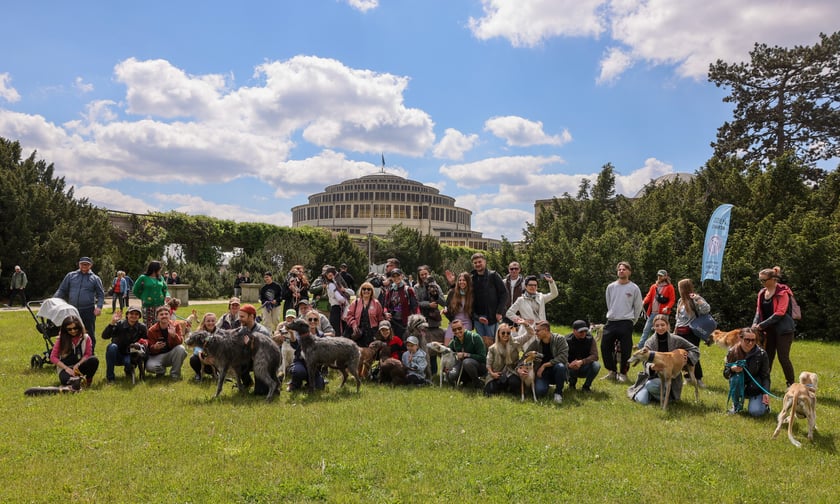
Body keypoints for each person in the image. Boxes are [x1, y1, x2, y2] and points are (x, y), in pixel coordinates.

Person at [629, 314, 700, 406]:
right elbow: (645, 361)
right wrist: (651, 367)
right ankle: (656, 394)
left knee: (651, 386)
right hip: (653, 377)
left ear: (667, 326)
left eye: (663, 325)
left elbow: (695, 349)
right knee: (641, 400)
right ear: (654, 327)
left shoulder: (676, 339)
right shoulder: (650, 342)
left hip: (671, 377)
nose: (660, 328)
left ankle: (667, 397)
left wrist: (688, 357)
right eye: (657, 326)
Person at [447, 253, 507, 344]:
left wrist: (499, 312)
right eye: (475, 263)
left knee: (492, 342)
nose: (478, 264)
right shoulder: (472, 278)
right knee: (481, 342)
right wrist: (452, 284)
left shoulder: (493, 275)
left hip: (491, 316)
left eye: (480, 262)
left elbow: (504, 293)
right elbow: (461, 289)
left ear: (485, 262)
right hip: (477, 317)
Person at [752, 266, 796, 387]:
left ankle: (791, 385)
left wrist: (761, 325)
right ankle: (764, 383)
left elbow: (780, 313)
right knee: (766, 357)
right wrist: (754, 326)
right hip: (769, 331)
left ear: (773, 279)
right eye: (760, 280)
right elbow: (758, 311)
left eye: (764, 280)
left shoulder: (782, 293)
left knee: (783, 358)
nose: (762, 283)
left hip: (784, 331)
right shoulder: (761, 293)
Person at [600, 261, 643, 383]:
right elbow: (609, 303)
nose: (621, 271)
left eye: (624, 269)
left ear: (629, 272)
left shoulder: (634, 288)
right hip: (612, 321)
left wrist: (632, 320)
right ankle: (612, 371)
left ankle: (623, 373)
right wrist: (613, 314)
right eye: (619, 269)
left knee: (626, 349)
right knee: (605, 346)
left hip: (626, 322)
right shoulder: (611, 287)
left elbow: (638, 306)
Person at [54, 256, 105, 352]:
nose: (84, 266)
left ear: (90, 265)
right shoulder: (70, 276)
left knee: (89, 332)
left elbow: (101, 294)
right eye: (82, 264)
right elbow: (62, 290)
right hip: (72, 310)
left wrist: (99, 307)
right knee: (70, 331)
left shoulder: (95, 278)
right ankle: (71, 352)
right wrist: (54, 301)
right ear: (79, 264)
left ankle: (90, 353)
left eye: (86, 264)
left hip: (88, 310)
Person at [724, 327, 771, 416]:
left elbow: (765, 376)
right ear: (739, 338)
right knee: (736, 378)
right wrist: (732, 369)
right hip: (738, 384)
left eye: (753, 340)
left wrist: (766, 392)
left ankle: (764, 405)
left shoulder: (761, 354)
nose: (750, 343)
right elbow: (725, 374)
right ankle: (736, 404)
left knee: (756, 412)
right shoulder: (732, 352)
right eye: (747, 340)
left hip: (755, 388)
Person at [673, 278, 710, 388]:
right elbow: (678, 318)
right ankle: (687, 377)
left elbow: (706, 309)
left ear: (684, 288)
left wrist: (698, 299)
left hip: (691, 332)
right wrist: (674, 331)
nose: (678, 289)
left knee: (693, 355)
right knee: (681, 355)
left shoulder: (694, 299)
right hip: (680, 332)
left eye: (680, 287)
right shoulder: (680, 301)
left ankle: (698, 379)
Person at [522, 320, 569, 403]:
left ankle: (558, 393)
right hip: (542, 374)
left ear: (546, 330)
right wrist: (519, 368)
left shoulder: (560, 339)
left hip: (556, 371)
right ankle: (546, 385)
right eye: (535, 330)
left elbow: (563, 357)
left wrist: (544, 365)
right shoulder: (536, 343)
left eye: (538, 330)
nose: (535, 333)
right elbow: (525, 356)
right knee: (540, 392)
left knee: (561, 366)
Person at [101, 307, 148, 383]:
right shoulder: (119, 324)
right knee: (112, 347)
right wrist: (112, 323)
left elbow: (146, 341)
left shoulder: (142, 327)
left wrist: (140, 344)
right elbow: (104, 336)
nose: (134, 316)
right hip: (117, 354)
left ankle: (129, 371)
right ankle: (110, 378)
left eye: (136, 314)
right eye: (131, 314)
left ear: (139, 316)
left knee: (128, 362)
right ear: (127, 315)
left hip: (131, 355)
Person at [49, 315, 99, 385]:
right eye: (69, 329)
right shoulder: (61, 339)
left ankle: (88, 380)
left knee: (94, 360)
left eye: (75, 328)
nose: (73, 331)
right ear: (65, 329)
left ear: (79, 327)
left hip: (79, 365)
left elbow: (88, 354)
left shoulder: (86, 338)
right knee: (65, 381)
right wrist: (66, 368)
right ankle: (77, 381)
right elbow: (53, 357)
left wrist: (78, 364)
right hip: (66, 368)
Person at [506, 273, 558, 340]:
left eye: (535, 285)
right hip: (527, 331)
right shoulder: (521, 300)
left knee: (543, 349)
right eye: (530, 285)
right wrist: (522, 321)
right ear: (525, 286)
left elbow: (554, 294)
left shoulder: (541, 297)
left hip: (542, 330)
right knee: (529, 350)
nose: (533, 287)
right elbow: (509, 313)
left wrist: (551, 281)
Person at [236, 303, 274, 395]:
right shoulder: (242, 329)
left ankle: (276, 378)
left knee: (260, 393)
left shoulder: (261, 332)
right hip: (250, 358)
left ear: (251, 316)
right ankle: (248, 382)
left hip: (263, 361)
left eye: (242, 316)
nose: (239, 319)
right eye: (239, 316)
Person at [414, 265, 446, 374]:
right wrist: (428, 304)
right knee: (424, 346)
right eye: (421, 274)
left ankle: (433, 371)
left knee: (434, 345)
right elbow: (416, 302)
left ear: (429, 273)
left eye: (425, 274)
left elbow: (443, 301)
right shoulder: (417, 287)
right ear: (418, 276)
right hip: (422, 320)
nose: (424, 276)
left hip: (434, 320)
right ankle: (424, 370)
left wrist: (435, 293)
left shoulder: (436, 285)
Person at [287, 309, 326, 391]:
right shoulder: (300, 333)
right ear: (306, 321)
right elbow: (295, 344)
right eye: (310, 319)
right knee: (299, 372)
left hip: (314, 365)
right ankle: (294, 384)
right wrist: (291, 334)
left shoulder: (321, 335)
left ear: (318, 322)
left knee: (320, 386)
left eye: (315, 319)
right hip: (301, 362)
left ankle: (310, 382)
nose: (312, 321)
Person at [145, 306, 186, 379]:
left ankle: (175, 374)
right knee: (149, 367)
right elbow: (150, 349)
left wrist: (174, 335)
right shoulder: (152, 330)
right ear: (157, 317)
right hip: (157, 356)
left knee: (181, 349)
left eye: (166, 314)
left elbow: (180, 341)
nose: (164, 316)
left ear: (170, 315)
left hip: (171, 354)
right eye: (161, 314)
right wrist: (155, 347)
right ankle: (161, 371)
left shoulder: (176, 325)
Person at [639, 269, 676, 348]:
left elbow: (672, 300)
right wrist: (643, 302)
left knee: (663, 331)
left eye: (661, 275)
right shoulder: (654, 286)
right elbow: (648, 296)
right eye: (658, 275)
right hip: (653, 313)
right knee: (646, 329)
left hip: (663, 313)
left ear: (665, 276)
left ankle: (666, 346)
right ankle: (640, 346)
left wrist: (667, 307)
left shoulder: (670, 287)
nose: (659, 277)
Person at [484, 323, 523, 397]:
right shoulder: (492, 348)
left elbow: (518, 361)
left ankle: (508, 387)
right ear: (498, 333)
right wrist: (492, 374)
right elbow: (488, 364)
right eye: (503, 333)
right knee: (488, 393)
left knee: (515, 383)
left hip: (510, 372)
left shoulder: (515, 345)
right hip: (496, 373)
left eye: (508, 333)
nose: (506, 335)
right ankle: (502, 387)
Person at [446, 319, 487, 389]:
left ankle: (477, 382)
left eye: (459, 328)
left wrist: (467, 355)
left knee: (467, 362)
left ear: (464, 327)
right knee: (451, 375)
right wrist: (446, 366)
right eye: (454, 330)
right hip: (462, 366)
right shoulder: (453, 342)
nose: (457, 331)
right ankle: (466, 380)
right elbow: (447, 354)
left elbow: (483, 358)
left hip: (479, 366)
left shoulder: (475, 337)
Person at [344, 281, 385, 347]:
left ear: (372, 291)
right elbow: (349, 316)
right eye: (364, 289)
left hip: (372, 333)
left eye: (369, 289)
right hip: (358, 333)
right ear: (361, 290)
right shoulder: (355, 302)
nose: (366, 291)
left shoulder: (376, 303)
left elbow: (380, 318)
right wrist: (354, 325)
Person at [382, 268, 419, 339]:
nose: (396, 278)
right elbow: (385, 306)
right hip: (393, 322)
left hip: (405, 322)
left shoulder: (408, 290)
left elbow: (415, 306)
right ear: (391, 278)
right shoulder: (390, 290)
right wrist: (386, 313)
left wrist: (416, 321)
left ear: (402, 276)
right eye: (394, 276)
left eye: (398, 276)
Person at [565, 320, 601, 392]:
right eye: (581, 331)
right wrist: (569, 365)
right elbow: (561, 356)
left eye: (585, 331)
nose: (584, 333)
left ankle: (586, 387)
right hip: (570, 368)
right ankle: (571, 385)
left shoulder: (590, 339)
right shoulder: (566, 339)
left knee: (596, 365)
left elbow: (595, 356)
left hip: (585, 367)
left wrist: (582, 362)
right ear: (574, 331)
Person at [132, 260, 169, 326]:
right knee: (148, 324)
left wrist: (167, 296)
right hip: (148, 305)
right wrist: (143, 297)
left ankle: (159, 336)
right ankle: (149, 336)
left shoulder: (161, 278)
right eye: (160, 268)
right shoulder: (143, 278)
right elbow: (135, 290)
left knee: (159, 323)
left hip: (160, 305)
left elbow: (165, 288)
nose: (160, 270)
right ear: (154, 268)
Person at [442, 272, 473, 345]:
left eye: (464, 280)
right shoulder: (453, 293)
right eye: (460, 280)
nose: (461, 282)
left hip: (466, 322)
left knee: (461, 344)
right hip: (454, 321)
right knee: (447, 344)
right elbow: (446, 304)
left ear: (468, 282)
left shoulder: (471, 294)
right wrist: (445, 310)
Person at [188, 312, 219, 381]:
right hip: (202, 357)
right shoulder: (199, 332)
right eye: (208, 321)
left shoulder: (219, 332)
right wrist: (202, 354)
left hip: (215, 359)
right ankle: (198, 374)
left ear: (215, 322)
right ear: (204, 322)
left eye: (213, 321)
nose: (210, 323)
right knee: (193, 359)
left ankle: (216, 373)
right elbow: (196, 348)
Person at [325, 266, 351, 338]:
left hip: (337, 309)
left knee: (339, 330)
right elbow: (339, 299)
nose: (331, 277)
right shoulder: (331, 285)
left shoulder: (334, 284)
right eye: (329, 275)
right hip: (337, 309)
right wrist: (345, 302)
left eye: (332, 275)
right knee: (338, 331)